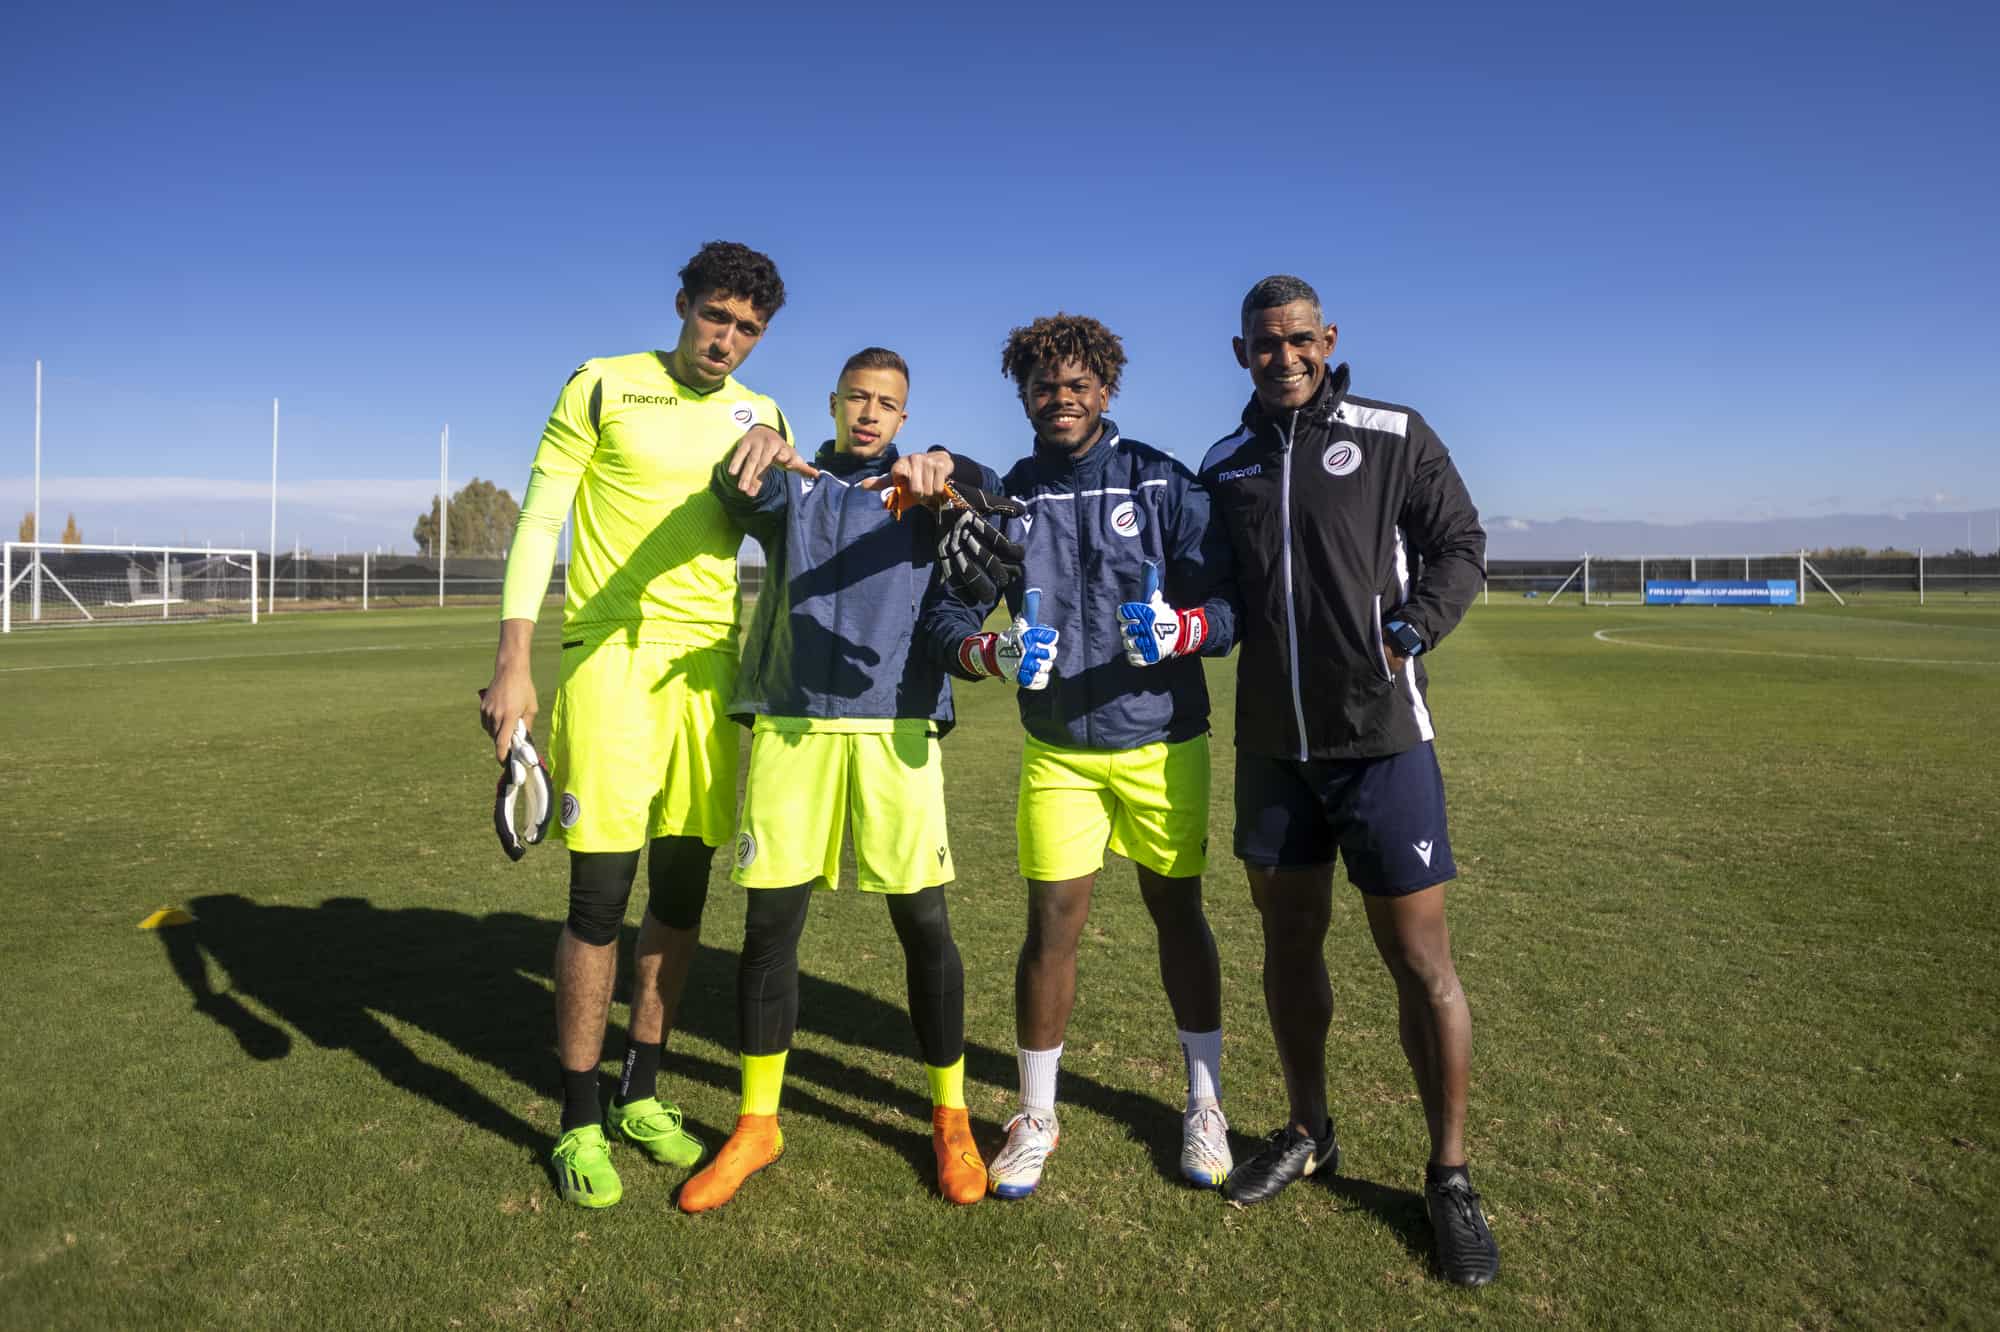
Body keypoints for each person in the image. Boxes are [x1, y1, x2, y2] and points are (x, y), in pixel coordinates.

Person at [479, 240, 795, 1209]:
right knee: (597, 900)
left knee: (684, 895)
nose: (727, 339)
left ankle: (640, 1093)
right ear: (682, 304)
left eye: (746, 328)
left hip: (711, 677)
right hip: (611, 665)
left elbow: (793, 539)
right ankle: (576, 1119)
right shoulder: (602, 384)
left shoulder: (763, 416)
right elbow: (541, 519)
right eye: (715, 316)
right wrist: (513, 660)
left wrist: (784, 470)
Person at [1197, 274, 1499, 1285]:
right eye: (1262, 345)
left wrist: (1412, 629)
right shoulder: (1225, 460)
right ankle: (1306, 1128)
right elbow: (1224, 598)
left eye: (1297, 341)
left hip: (1380, 743)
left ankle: (1447, 1177)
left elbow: (1460, 544)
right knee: (1287, 946)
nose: (1282, 358)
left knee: (1420, 964)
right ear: (1238, 353)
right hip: (1271, 751)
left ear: (1324, 339)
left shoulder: (1389, 430)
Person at [919, 313, 1239, 1200]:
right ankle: (1037, 1114)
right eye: (1043, 386)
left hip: (1164, 743)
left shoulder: (1162, 482)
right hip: (1058, 751)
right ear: (1022, 393)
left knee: (1180, 919)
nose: (1061, 400)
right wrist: (987, 653)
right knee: (1050, 932)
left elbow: (1232, 603)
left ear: (1106, 389)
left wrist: (1186, 628)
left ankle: (1204, 1104)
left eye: (1077, 385)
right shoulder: (1009, 500)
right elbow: (948, 615)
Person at [678, 347, 997, 1212]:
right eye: (856, 397)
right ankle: (757, 1123)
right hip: (793, 726)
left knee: (924, 925)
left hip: (897, 729)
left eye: (886, 404)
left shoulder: (928, 490)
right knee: (769, 927)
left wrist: (952, 469)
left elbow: (991, 503)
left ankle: (951, 1117)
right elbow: (737, 489)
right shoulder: (801, 486)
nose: (869, 413)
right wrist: (753, 454)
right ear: (831, 403)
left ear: (903, 416)